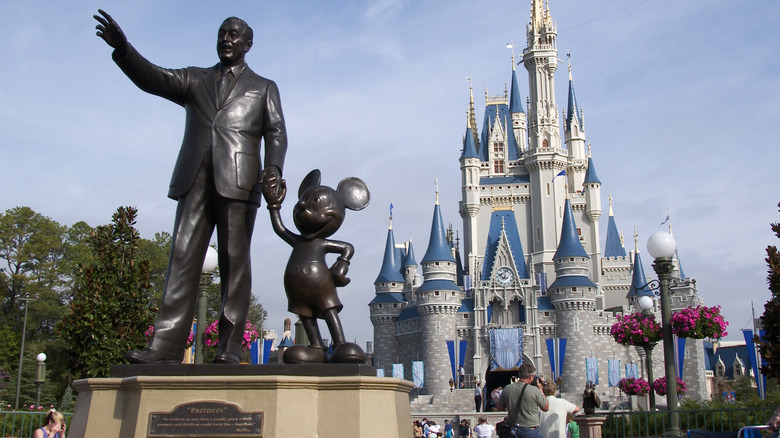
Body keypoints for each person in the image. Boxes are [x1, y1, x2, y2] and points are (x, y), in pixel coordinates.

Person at [93, 10, 287, 364]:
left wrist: (273, 169)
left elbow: (276, 132)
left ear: (248, 44)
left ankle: (229, 346)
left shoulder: (263, 88)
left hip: (240, 182)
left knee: (234, 262)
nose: (226, 39)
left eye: (233, 35)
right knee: (181, 257)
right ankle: (165, 346)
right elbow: (154, 78)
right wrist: (124, 50)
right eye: (222, 33)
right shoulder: (195, 80)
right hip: (194, 178)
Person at [496, 363, 549, 438]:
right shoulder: (534, 390)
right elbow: (546, 407)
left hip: (513, 429)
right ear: (530, 377)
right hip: (530, 430)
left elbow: (499, 407)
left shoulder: (507, 389)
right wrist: (541, 390)